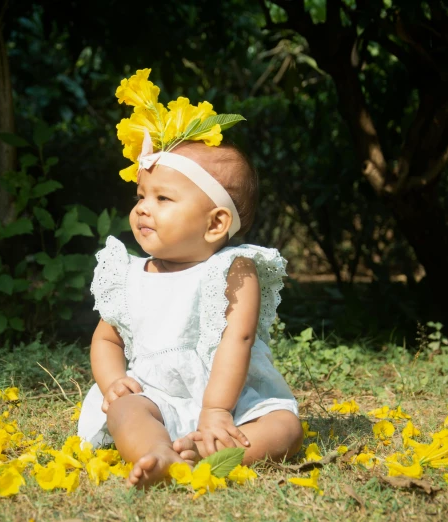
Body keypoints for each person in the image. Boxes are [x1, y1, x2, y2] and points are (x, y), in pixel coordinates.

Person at [77, 69, 303, 487]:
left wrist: (216, 411)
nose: (144, 208)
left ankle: (203, 454)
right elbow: (106, 338)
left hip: (231, 404)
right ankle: (158, 452)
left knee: (285, 428)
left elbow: (238, 340)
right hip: (155, 399)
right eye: (141, 196)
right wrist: (114, 384)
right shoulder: (129, 275)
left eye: (163, 198)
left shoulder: (233, 271)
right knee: (126, 411)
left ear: (216, 224)